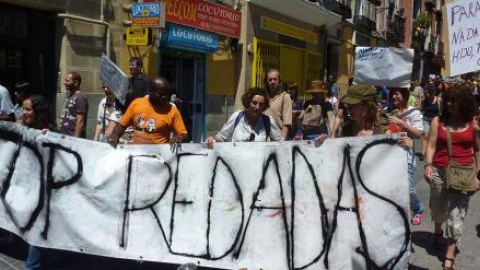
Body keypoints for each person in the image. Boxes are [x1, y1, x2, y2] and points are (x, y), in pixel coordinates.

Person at [424, 83, 480, 270]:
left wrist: (478, 175)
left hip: (463, 173)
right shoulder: (437, 121)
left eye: (454, 100)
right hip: (439, 171)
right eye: (448, 99)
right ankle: (438, 229)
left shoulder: (474, 123)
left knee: (456, 215)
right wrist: (427, 165)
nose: (449, 103)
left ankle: (449, 257)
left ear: (463, 102)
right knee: (438, 208)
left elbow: (479, 151)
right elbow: (430, 146)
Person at [315, 83, 413, 147]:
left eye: (354, 105)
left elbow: (393, 158)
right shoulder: (347, 128)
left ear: (367, 106)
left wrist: (406, 144)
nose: (349, 109)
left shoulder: (385, 129)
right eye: (348, 105)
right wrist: (326, 143)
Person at [21, 95, 56, 270]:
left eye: (28, 109)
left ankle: (31, 265)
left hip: (43, 190)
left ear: (38, 111)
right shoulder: (23, 128)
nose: (24, 112)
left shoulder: (49, 132)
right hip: (27, 187)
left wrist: (44, 138)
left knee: (38, 225)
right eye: (23, 108)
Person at [107, 77, 187, 146]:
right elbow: (122, 125)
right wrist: (115, 135)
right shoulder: (137, 104)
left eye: (166, 94)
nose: (164, 97)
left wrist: (179, 137)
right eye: (161, 94)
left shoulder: (172, 110)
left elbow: (183, 134)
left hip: (159, 158)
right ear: (150, 91)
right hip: (137, 156)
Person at [386, 88, 424, 225]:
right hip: (391, 157)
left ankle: (418, 209)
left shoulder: (414, 112)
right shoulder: (392, 112)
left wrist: (402, 123)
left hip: (407, 156)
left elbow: (419, 134)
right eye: (393, 93)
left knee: (407, 186)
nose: (394, 96)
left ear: (405, 94)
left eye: (397, 93)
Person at [206, 87, 281, 146]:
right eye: (254, 103)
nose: (257, 107)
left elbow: (280, 143)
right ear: (248, 102)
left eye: (261, 104)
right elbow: (222, 137)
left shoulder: (268, 121)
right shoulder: (237, 117)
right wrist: (212, 139)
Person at [263, 69, 292, 140]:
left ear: (279, 81)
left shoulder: (284, 97)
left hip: (278, 139)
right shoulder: (263, 98)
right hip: (263, 139)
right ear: (266, 81)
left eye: (275, 79)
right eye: (270, 79)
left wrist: (281, 141)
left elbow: (286, 123)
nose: (272, 82)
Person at [59, 71, 89, 138]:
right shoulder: (70, 96)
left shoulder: (80, 98)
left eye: (67, 81)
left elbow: (80, 120)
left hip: (72, 138)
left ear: (75, 83)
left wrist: (75, 139)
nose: (64, 83)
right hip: (65, 136)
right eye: (64, 80)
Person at [420, 84, 440, 160]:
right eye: (429, 92)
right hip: (426, 119)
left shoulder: (438, 100)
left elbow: (440, 111)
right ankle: (423, 153)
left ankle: (433, 152)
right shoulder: (425, 100)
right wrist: (422, 102)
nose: (430, 94)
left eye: (431, 92)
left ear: (434, 92)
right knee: (425, 135)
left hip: (435, 120)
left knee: (434, 137)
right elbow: (422, 109)